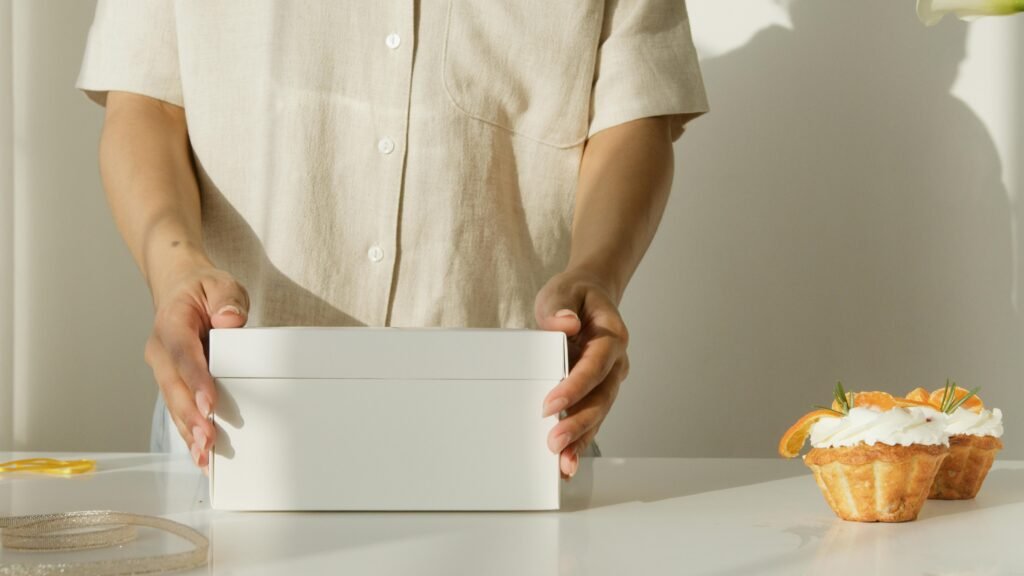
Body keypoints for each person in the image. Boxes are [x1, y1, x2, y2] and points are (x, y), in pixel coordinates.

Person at [76, 1, 708, 479]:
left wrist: (598, 272)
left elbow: (634, 114)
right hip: (231, 419)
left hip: (514, 427)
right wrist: (174, 271)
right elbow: (147, 102)